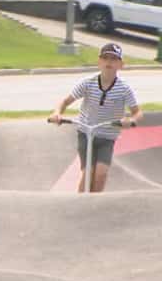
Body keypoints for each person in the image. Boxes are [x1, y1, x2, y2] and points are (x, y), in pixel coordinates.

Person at [48, 42, 142, 193]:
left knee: (101, 174)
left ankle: (95, 205)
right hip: (86, 134)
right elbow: (65, 101)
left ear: (121, 64)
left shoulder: (124, 88)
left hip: (107, 137)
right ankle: (79, 204)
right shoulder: (88, 83)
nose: (109, 62)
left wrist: (131, 120)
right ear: (99, 62)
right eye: (105, 58)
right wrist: (57, 113)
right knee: (88, 173)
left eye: (113, 59)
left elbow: (137, 112)